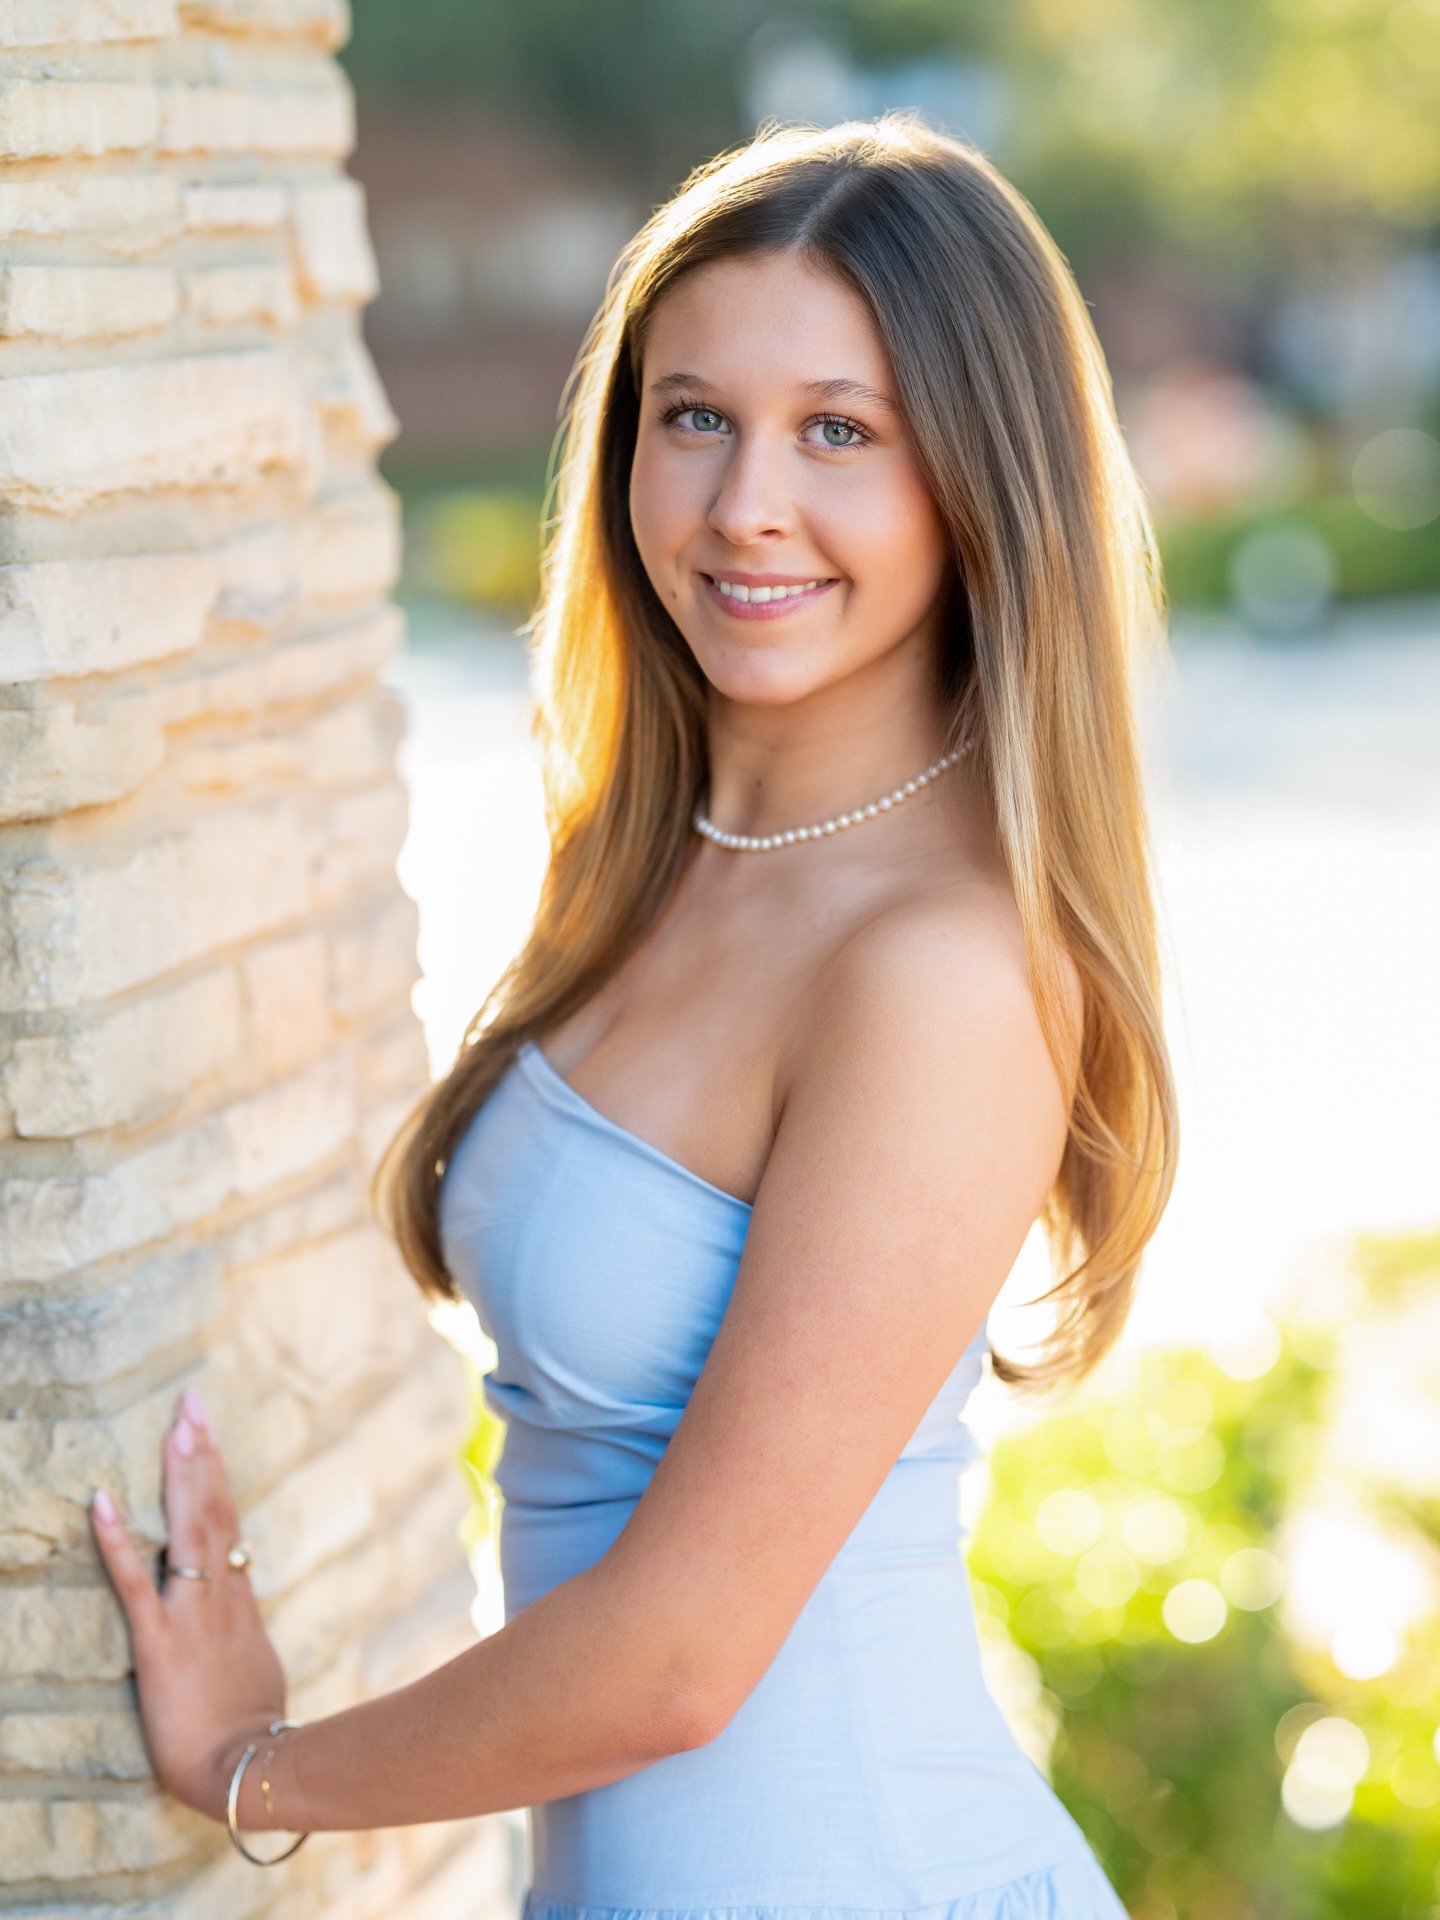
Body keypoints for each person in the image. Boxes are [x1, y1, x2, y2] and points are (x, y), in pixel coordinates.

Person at [93, 118, 1177, 1919]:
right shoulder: (669, 864)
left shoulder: (934, 972)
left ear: (980, 480)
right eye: (694, 417)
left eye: (841, 430)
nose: (745, 501)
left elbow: (679, 1657)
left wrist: (248, 1766)